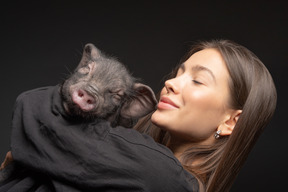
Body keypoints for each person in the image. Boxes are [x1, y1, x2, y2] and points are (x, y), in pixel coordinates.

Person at [0, 39, 277, 192]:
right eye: (178, 73)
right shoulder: (143, 159)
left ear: (230, 122)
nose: (171, 82)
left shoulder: (163, 176)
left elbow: (33, 107)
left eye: (198, 81)